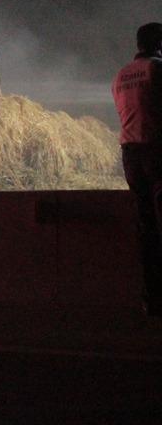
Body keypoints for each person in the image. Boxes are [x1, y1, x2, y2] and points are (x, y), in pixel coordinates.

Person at [112, 22, 162, 315]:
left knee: (146, 227)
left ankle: (150, 298)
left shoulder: (120, 75)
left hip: (130, 155)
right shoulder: (158, 69)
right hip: (157, 151)